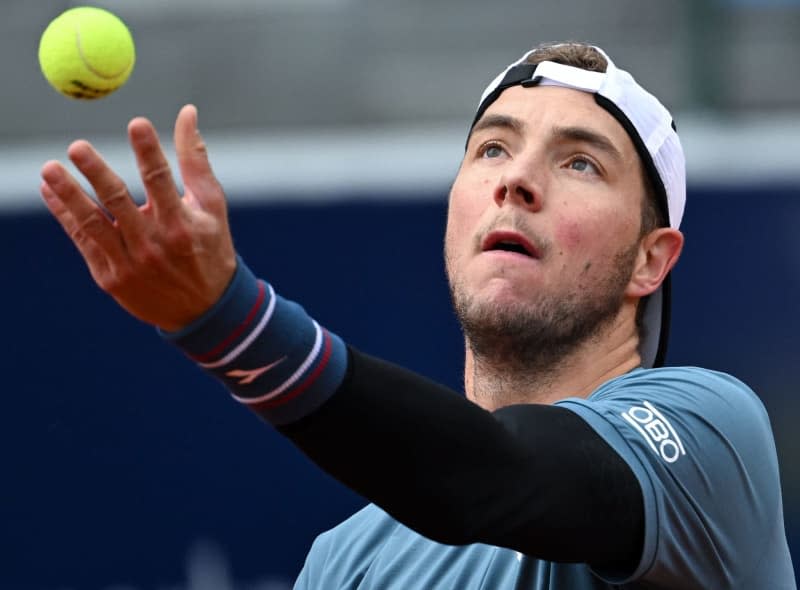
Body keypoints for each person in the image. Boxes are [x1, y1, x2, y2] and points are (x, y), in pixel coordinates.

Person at [39, 41, 795, 589]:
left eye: (579, 162)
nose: (518, 181)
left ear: (650, 260)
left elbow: (493, 480)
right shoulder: (346, 563)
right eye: (492, 149)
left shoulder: (713, 437)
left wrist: (227, 319)